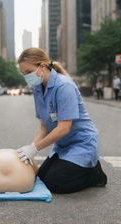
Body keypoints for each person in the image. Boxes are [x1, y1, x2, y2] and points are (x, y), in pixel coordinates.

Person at [16, 48, 107, 194]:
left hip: (82, 144)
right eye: (23, 73)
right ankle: (78, 168)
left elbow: (64, 128)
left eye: (28, 72)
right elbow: (44, 127)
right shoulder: (38, 88)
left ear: (43, 66)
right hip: (63, 146)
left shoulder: (64, 86)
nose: (26, 76)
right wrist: (30, 147)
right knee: (41, 177)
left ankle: (94, 174)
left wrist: (35, 149)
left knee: (55, 183)